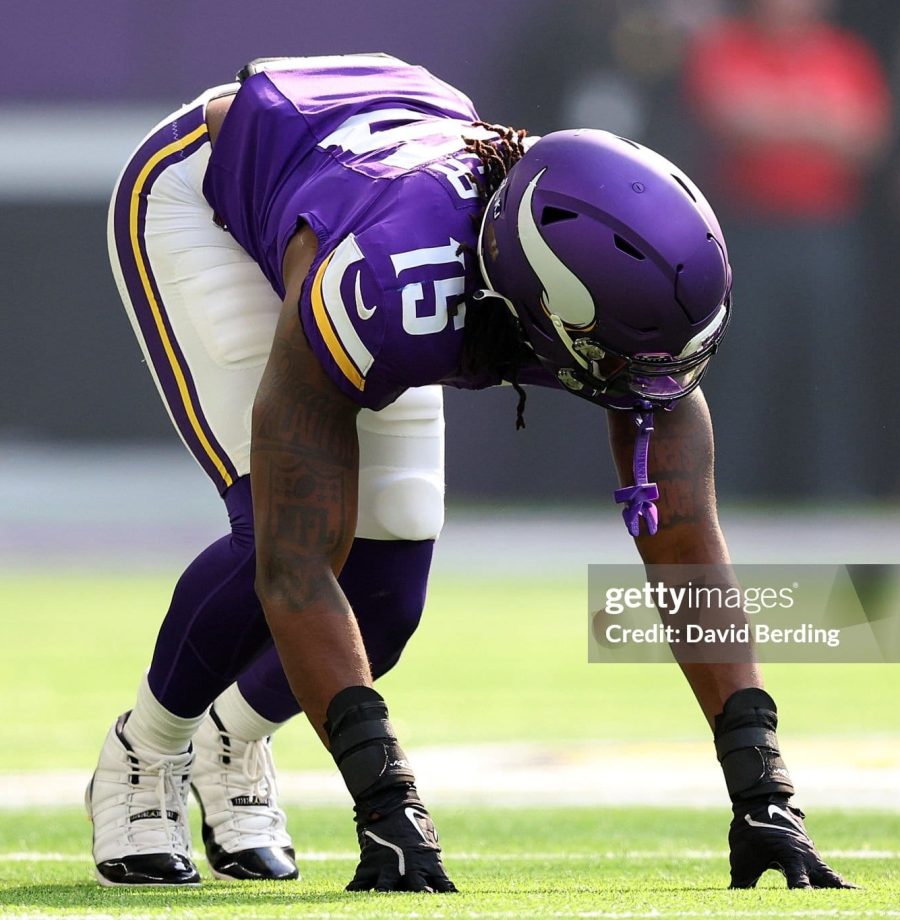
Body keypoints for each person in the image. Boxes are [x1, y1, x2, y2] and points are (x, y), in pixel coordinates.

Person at [88, 53, 851, 892]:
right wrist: (387, 800)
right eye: (622, 360)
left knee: (387, 592)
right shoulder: (388, 281)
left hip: (380, 182)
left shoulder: (616, 293)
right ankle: (147, 750)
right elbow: (295, 565)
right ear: (539, 309)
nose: (649, 387)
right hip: (218, 192)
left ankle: (229, 741)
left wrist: (764, 789)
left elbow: (685, 541)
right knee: (279, 529)